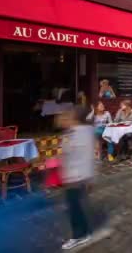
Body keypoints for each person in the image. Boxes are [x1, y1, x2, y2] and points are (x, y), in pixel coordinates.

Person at [58, 106, 96, 250]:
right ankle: (84, 232)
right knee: (75, 206)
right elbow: (67, 153)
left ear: (74, 119)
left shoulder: (84, 133)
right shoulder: (70, 132)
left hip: (78, 177)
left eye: (66, 118)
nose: (62, 121)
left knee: (74, 207)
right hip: (71, 176)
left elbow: (89, 157)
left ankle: (78, 235)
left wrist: (89, 179)